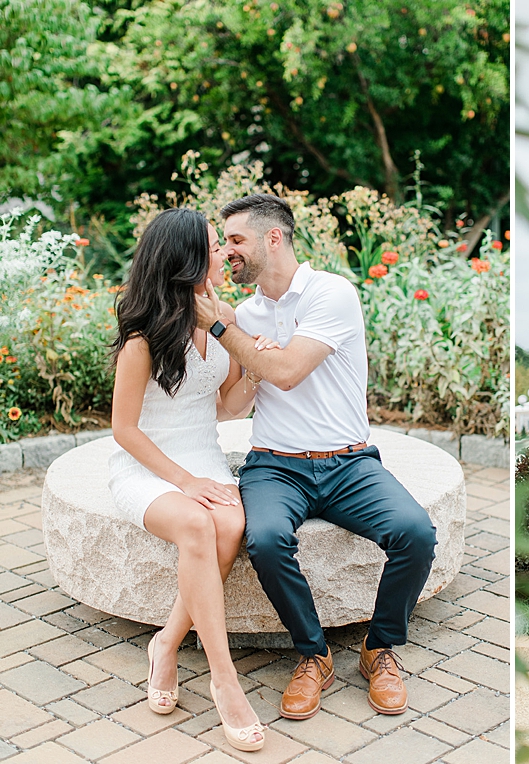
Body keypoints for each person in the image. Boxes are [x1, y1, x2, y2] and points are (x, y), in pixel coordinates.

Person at [193, 194, 437, 719]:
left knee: (415, 533)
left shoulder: (331, 293)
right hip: (275, 465)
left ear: (272, 238)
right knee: (263, 539)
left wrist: (226, 332)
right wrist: (244, 353)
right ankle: (313, 654)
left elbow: (288, 372)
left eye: (236, 240)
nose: (228, 251)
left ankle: (380, 649)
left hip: (349, 464)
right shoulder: (244, 313)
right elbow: (235, 403)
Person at [109, 207, 277, 752]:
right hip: (149, 465)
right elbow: (124, 429)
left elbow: (227, 407)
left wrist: (252, 365)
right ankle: (225, 681)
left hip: (203, 457)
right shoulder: (142, 337)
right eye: (213, 246)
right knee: (200, 527)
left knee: (231, 527)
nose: (225, 255)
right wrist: (183, 482)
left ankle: (165, 643)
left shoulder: (220, 313)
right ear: (185, 259)